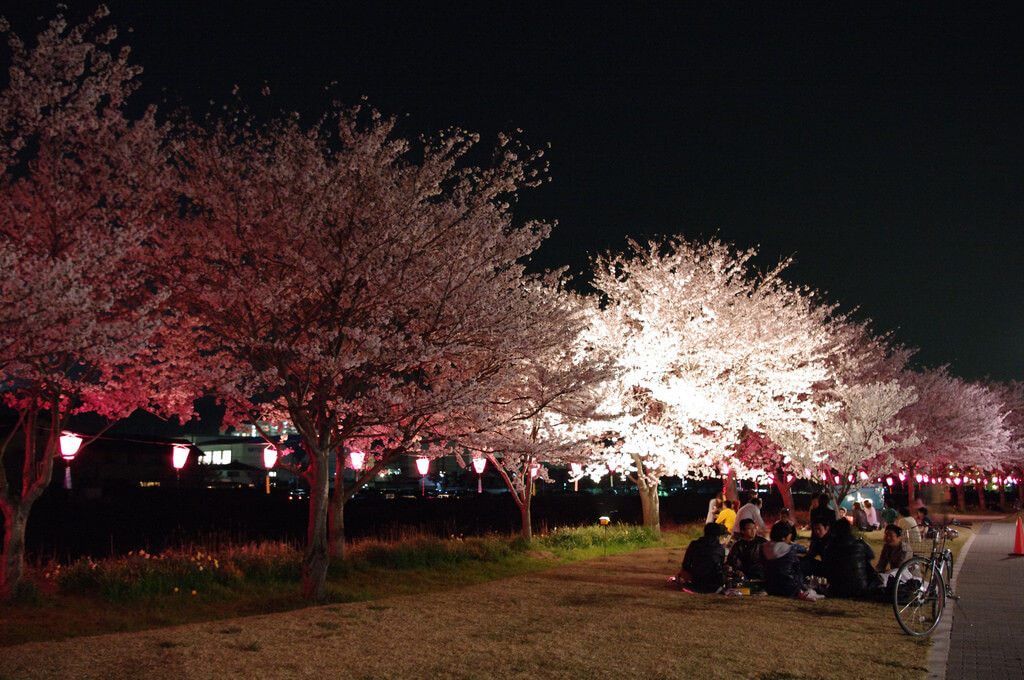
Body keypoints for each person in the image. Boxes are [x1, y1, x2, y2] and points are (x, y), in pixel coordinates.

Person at [762, 521, 820, 600]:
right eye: (789, 534)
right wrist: (803, 588)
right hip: (790, 588)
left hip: (770, 588)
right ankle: (807, 591)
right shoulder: (788, 549)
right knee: (806, 564)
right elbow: (796, 570)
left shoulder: (763, 547)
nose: (791, 535)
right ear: (783, 537)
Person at [823, 518, 876, 598]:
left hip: (836, 589)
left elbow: (826, 564)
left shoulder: (830, 547)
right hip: (860, 589)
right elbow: (871, 556)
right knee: (865, 562)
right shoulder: (860, 544)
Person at [677, 522, 728, 593]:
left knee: (683, 571)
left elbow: (686, 564)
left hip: (696, 577)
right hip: (715, 579)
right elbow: (721, 564)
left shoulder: (694, 545)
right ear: (718, 534)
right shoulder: (720, 548)